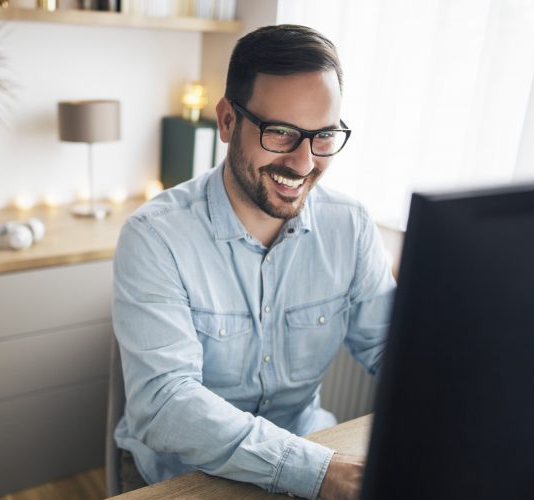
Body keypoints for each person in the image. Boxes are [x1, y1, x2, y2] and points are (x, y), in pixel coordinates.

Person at [112, 24, 396, 499]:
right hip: (180, 475)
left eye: (323, 136)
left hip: (309, 446)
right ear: (227, 121)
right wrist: (315, 471)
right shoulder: (154, 237)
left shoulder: (352, 226)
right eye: (281, 132)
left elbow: (393, 349)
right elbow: (164, 404)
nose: (304, 163)